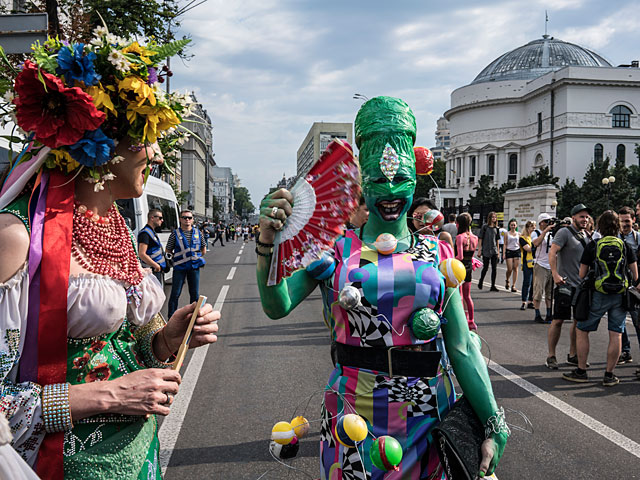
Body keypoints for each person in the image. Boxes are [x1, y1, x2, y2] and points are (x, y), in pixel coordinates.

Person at [0, 33, 220, 479]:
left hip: (138, 459)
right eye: (145, 137)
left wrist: (166, 340)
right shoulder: (15, 236)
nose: (156, 153)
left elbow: (126, 347)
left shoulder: (114, 224)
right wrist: (111, 396)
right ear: (96, 141)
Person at [255, 97, 508, 479]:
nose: (391, 193)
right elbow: (277, 305)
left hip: (428, 416)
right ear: (362, 185)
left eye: (401, 180)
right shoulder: (336, 250)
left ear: (416, 180)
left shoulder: (438, 251)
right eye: (378, 181)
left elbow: (461, 346)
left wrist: (492, 421)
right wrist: (266, 246)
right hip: (354, 418)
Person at [563, 210, 638, 386]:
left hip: (598, 294)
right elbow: (635, 276)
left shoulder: (593, 245)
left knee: (582, 330)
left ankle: (581, 371)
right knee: (616, 333)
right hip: (620, 295)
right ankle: (609, 375)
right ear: (617, 226)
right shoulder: (624, 246)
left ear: (600, 227)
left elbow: (581, 274)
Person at [546, 204, 591, 370]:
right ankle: (551, 355)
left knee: (578, 322)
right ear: (573, 218)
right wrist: (555, 274)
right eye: (581, 216)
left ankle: (573, 355)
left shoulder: (587, 235)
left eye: (586, 217)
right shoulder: (564, 232)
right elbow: (552, 252)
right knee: (558, 320)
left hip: (581, 287)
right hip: (565, 284)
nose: (585, 220)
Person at [166, 210, 207, 318]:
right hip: (180, 268)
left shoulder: (198, 233)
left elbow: (203, 249)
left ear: (192, 220)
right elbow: (168, 250)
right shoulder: (175, 234)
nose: (187, 220)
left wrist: (196, 258)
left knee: (194, 294)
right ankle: (171, 318)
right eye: (184, 217)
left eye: (189, 218)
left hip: (194, 267)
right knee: (175, 293)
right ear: (180, 219)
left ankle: (193, 319)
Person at [618, 206, 640, 365]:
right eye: (621, 221)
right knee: (619, 319)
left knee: (637, 320)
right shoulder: (614, 238)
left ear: (633, 220)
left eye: (627, 221)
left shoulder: (639, 238)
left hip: (636, 284)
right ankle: (625, 351)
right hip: (619, 284)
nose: (625, 224)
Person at [456, 212, 478, 331]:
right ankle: (471, 320)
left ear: (459, 224)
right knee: (468, 296)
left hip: (460, 267)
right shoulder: (475, 238)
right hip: (469, 266)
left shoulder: (460, 237)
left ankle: (461, 319)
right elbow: (472, 255)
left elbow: (459, 256)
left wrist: (450, 260)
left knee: (460, 296)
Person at [532, 213, 554, 325]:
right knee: (538, 291)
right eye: (546, 221)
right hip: (540, 264)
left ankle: (549, 313)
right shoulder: (535, 233)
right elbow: (535, 243)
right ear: (541, 222)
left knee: (549, 293)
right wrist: (545, 232)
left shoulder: (552, 234)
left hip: (551, 265)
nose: (548, 223)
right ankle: (537, 314)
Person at [138, 208, 167, 284]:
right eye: (160, 218)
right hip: (152, 270)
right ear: (152, 218)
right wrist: (156, 266)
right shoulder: (145, 233)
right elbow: (141, 254)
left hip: (156, 269)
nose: (162, 220)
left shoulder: (151, 231)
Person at [477, 211, 500, 291]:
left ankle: (493, 285)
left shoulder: (496, 228)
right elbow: (480, 238)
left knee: (494, 268)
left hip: (494, 250)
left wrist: (498, 252)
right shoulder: (485, 227)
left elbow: (497, 240)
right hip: (486, 250)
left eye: (495, 217)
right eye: (493, 217)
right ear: (489, 218)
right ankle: (481, 281)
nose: (494, 219)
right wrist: (479, 250)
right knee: (485, 267)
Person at [519, 220, 536, 310]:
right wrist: (536, 245)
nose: (534, 229)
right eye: (532, 227)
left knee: (534, 283)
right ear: (527, 228)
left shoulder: (534, 237)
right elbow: (528, 249)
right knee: (527, 282)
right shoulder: (523, 238)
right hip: (527, 263)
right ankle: (523, 301)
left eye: (534, 227)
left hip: (536, 262)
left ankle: (530, 301)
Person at [504, 218, 520, 292]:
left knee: (515, 269)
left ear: (516, 226)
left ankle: (513, 285)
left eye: (514, 225)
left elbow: (520, 244)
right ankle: (507, 280)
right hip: (509, 251)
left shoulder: (519, 234)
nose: (513, 226)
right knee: (510, 269)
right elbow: (505, 244)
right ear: (509, 226)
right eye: (511, 225)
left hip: (516, 251)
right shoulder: (507, 233)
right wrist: (504, 253)